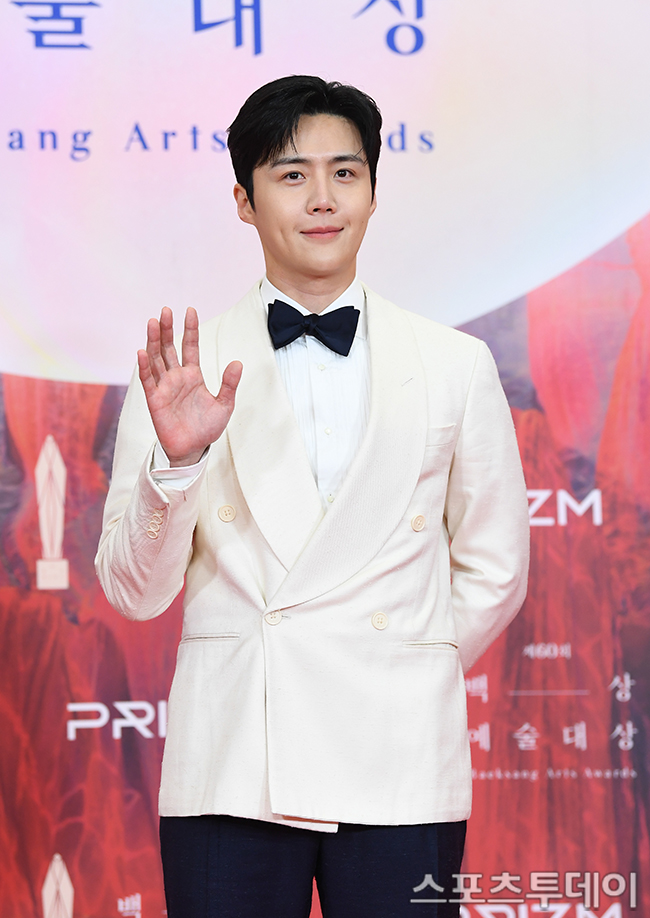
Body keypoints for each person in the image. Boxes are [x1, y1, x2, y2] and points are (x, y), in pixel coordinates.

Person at [96, 75, 530, 918]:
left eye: (345, 172)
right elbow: (133, 591)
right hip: (232, 762)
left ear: (373, 191)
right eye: (291, 174)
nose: (323, 198)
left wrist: (406, 665)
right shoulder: (183, 370)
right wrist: (176, 464)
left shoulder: (453, 364)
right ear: (244, 201)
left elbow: (495, 565)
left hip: (401, 754)